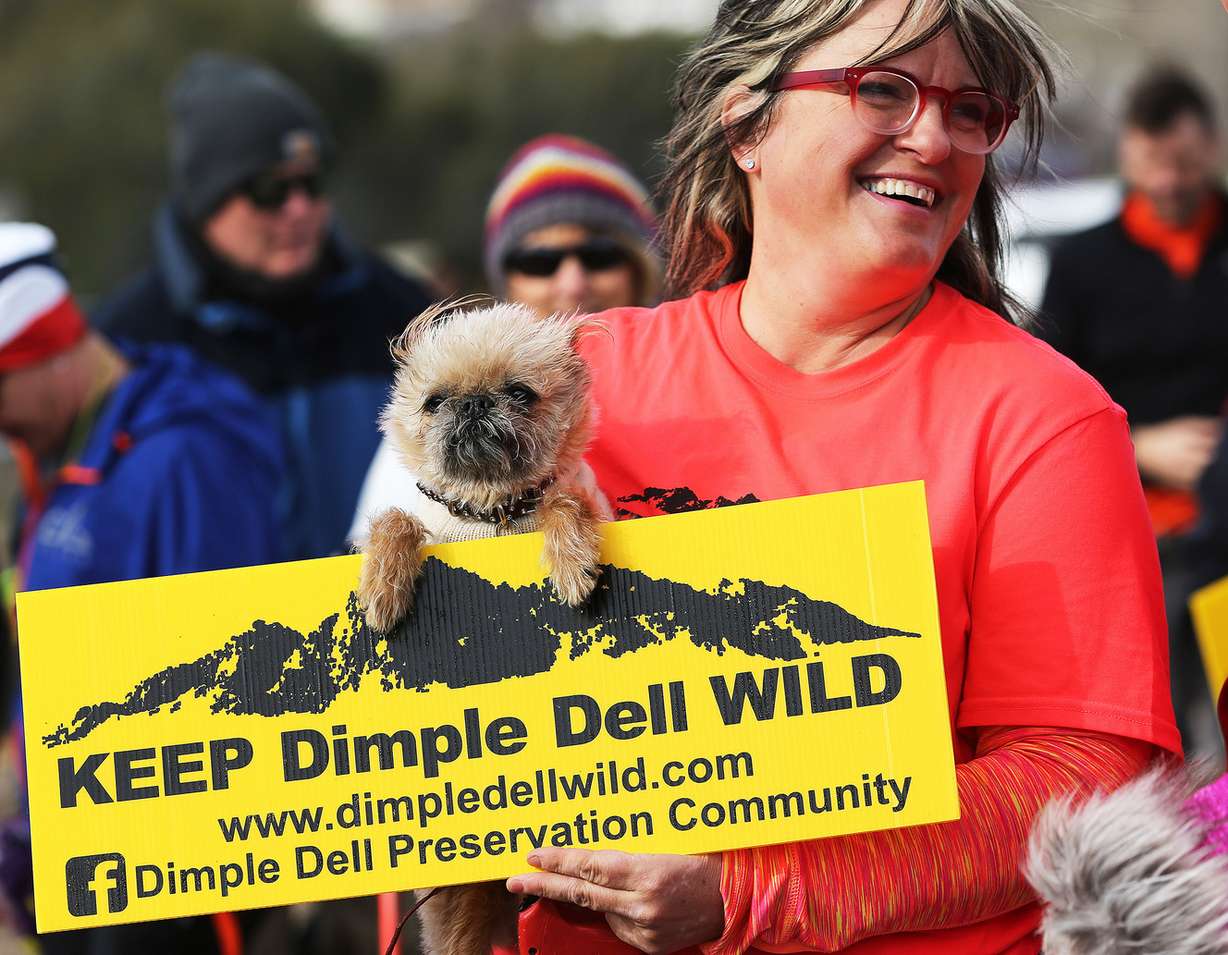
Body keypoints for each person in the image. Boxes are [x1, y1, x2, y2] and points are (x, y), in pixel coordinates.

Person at [486, 1, 1179, 953]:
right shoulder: (570, 381)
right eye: (883, 90)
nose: (934, 138)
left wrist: (747, 892)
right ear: (746, 124)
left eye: (972, 109)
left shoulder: (1044, 417)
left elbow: (1075, 774)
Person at [0, 222, 283, 951]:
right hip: (80, 863)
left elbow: (225, 688)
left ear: (48, 352)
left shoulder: (185, 455)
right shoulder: (67, 449)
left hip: (168, 895)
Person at [92, 52, 434, 561]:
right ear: (206, 202)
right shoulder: (128, 345)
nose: (299, 209)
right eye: (269, 190)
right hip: (207, 637)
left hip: (391, 628)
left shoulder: (403, 313)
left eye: (312, 183)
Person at [1038, 68, 1228, 754]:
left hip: (1223, 529)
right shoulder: (1084, 263)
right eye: (1153, 164)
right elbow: (1049, 399)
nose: (1169, 183)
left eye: (1181, 163)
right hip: (1133, 537)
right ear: (1128, 155)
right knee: (1158, 741)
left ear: (1208, 147)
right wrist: (1140, 444)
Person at [349, 133, 660, 543]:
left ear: (641, 266)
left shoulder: (687, 376)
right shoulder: (410, 449)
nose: (572, 283)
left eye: (599, 257)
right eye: (539, 262)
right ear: (506, 279)